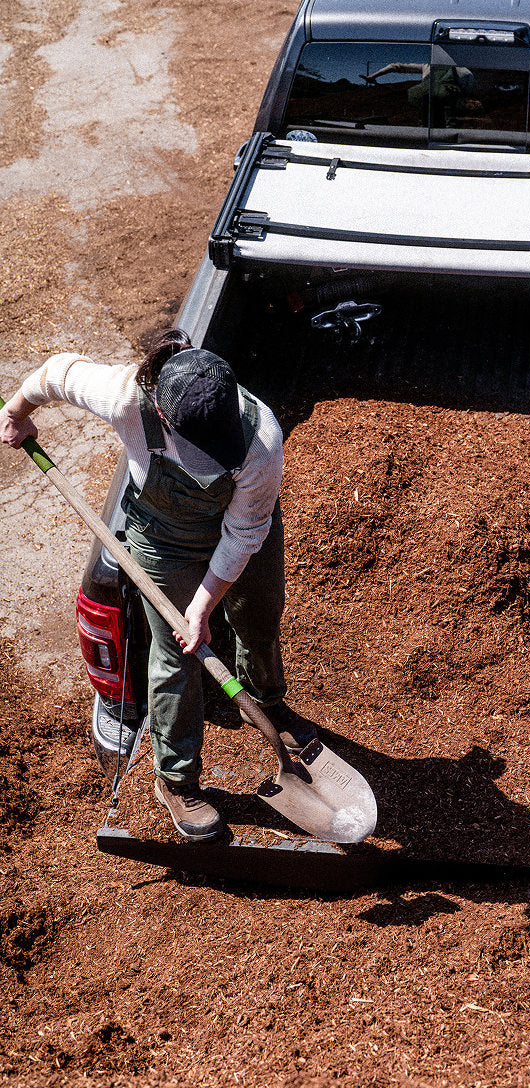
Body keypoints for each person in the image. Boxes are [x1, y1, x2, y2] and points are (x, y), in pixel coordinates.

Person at [0, 330, 316, 843]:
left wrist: (203, 605)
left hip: (241, 532)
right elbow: (57, 373)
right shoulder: (127, 397)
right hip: (164, 540)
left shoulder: (261, 439)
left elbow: (243, 535)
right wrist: (16, 412)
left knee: (259, 614)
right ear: (164, 416)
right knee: (177, 654)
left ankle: (264, 702)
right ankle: (176, 780)